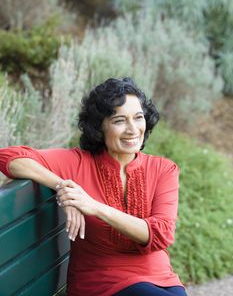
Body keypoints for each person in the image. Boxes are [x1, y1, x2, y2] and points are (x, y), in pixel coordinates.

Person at [0, 77, 188, 296]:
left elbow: (161, 234)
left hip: (159, 277)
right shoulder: (78, 162)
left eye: (138, 118)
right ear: (100, 126)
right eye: (119, 120)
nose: (132, 129)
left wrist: (94, 206)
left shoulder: (163, 169)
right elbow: (9, 157)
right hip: (102, 281)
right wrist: (64, 187)